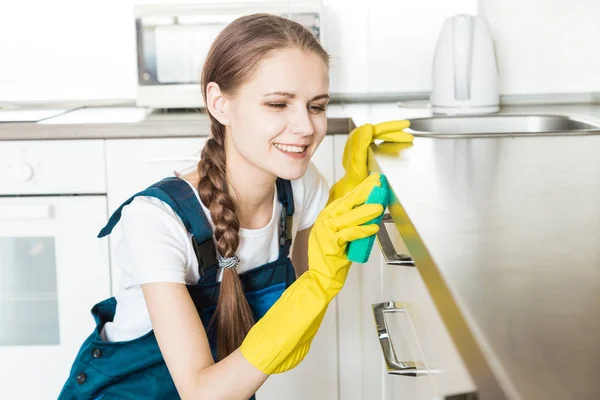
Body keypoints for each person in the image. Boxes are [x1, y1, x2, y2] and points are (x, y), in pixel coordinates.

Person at [58, 13, 413, 400]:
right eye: (278, 104)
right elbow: (201, 392)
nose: (307, 127)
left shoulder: (300, 186)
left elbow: (296, 317)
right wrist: (320, 284)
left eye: (316, 106)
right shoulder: (157, 221)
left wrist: (347, 191)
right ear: (219, 104)